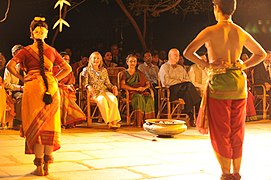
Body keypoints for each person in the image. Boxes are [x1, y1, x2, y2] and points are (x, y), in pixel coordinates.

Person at [183, 0, 266, 179]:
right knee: (237, 130)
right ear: (232, 10)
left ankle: (226, 173)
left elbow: (188, 53)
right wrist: (243, 64)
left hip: (219, 86)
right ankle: (236, 172)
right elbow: (261, 54)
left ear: (216, 8)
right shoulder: (240, 32)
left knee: (221, 131)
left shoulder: (210, 31)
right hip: (238, 87)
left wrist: (206, 65)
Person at [6, 17, 72, 176]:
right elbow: (67, 68)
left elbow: (9, 65)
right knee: (50, 127)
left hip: (33, 88)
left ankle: (39, 166)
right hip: (51, 88)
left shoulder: (25, 51)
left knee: (36, 128)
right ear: (46, 34)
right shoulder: (52, 51)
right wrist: (55, 78)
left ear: (31, 34)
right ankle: (48, 165)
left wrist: (23, 78)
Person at [158, 48, 201, 127]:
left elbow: (188, 80)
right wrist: (180, 81)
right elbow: (166, 81)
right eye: (175, 55)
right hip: (170, 91)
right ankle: (198, 103)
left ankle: (190, 114)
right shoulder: (164, 67)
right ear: (169, 56)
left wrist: (182, 81)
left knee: (188, 91)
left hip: (183, 90)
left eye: (178, 55)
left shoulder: (181, 68)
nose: (177, 57)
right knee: (188, 87)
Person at [84, 51, 121, 129]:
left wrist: (113, 87)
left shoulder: (104, 70)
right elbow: (84, 83)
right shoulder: (86, 70)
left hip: (104, 90)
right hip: (94, 92)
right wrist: (88, 86)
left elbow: (108, 83)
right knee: (102, 100)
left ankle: (114, 121)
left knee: (113, 99)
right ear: (90, 59)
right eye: (94, 58)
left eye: (98, 58)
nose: (96, 60)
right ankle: (108, 122)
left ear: (100, 60)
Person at [119, 54, 155, 127]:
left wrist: (144, 88)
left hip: (141, 92)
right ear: (127, 62)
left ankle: (148, 122)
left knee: (149, 98)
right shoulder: (124, 73)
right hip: (130, 93)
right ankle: (139, 122)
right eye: (131, 61)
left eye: (134, 61)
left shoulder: (139, 73)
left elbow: (147, 83)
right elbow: (122, 85)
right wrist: (135, 89)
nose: (132, 63)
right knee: (139, 97)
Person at [53, 52, 86, 128]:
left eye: (68, 60)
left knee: (66, 93)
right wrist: (63, 86)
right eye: (64, 59)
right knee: (62, 93)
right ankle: (61, 121)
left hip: (66, 89)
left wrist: (68, 86)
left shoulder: (69, 71)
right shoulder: (53, 69)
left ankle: (67, 121)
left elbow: (71, 82)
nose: (66, 61)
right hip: (55, 88)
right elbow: (51, 81)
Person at [4, 44, 24, 129]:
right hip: (16, 90)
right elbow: (6, 84)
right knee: (22, 97)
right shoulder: (10, 67)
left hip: (29, 88)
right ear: (13, 55)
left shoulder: (27, 66)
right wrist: (20, 88)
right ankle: (19, 121)